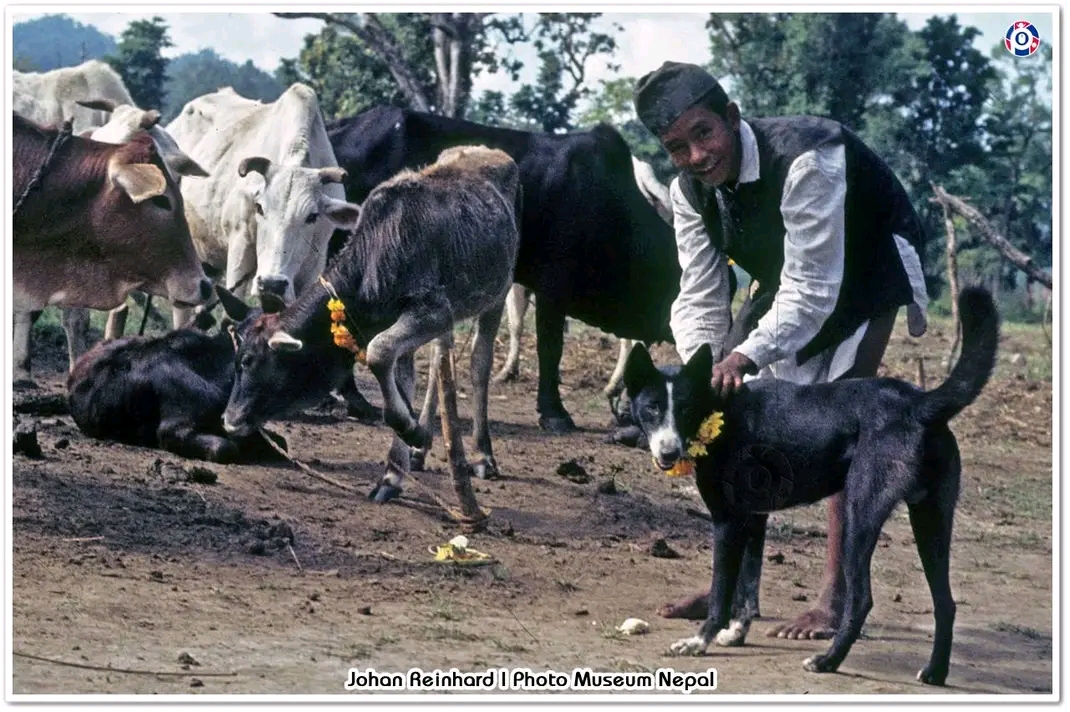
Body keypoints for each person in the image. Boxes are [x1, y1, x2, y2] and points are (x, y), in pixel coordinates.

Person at [633, 61, 930, 639]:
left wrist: (744, 356)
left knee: (846, 426)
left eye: (704, 134)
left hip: (865, 275)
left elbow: (817, 288)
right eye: (677, 147)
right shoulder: (687, 190)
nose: (696, 156)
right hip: (789, 280)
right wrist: (704, 368)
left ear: (731, 118)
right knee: (740, 424)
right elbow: (698, 292)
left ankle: (837, 594)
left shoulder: (808, 156)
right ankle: (734, 593)